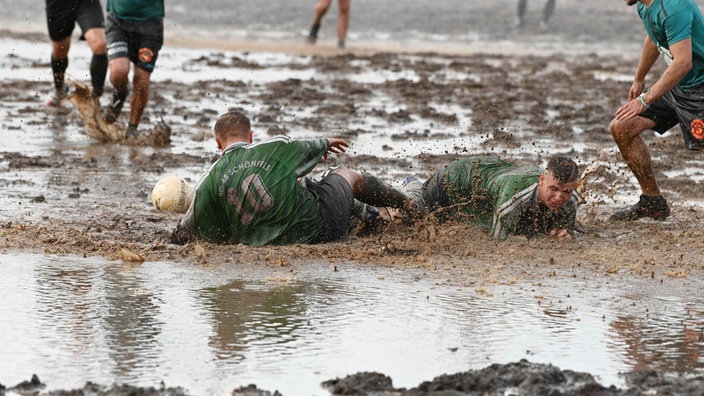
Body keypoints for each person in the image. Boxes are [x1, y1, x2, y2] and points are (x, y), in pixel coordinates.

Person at [171, 111, 413, 246]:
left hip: (264, 244)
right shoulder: (275, 146)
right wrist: (326, 143)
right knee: (342, 174)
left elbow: (194, 232)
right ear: (251, 136)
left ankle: (370, 214)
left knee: (305, 185)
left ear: (217, 143)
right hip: (321, 229)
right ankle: (406, 204)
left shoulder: (209, 181)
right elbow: (312, 146)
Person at [609, 0, 704, 222]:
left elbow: (683, 63)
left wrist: (644, 100)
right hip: (679, 86)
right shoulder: (644, 5)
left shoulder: (674, 8)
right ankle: (653, 203)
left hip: (700, 88)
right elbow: (655, 38)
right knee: (622, 127)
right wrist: (639, 78)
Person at [403, 155, 580, 241]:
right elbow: (498, 240)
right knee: (411, 216)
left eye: (566, 192)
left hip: (491, 177)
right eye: (554, 189)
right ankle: (411, 184)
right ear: (542, 180)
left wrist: (564, 233)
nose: (559, 197)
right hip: (455, 180)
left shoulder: (572, 201)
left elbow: (566, 230)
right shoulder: (514, 195)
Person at [102, 0, 164, 137]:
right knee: (119, 71)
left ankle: (132, 128)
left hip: (150, 25)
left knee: (141, 81)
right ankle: (120, 93)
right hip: (117, 22)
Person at [45, 0, 108, 107]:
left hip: (87, 3)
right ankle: (59, 90)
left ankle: (96, 98)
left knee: (100, 45)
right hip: (57, 5)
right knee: (60, 51)